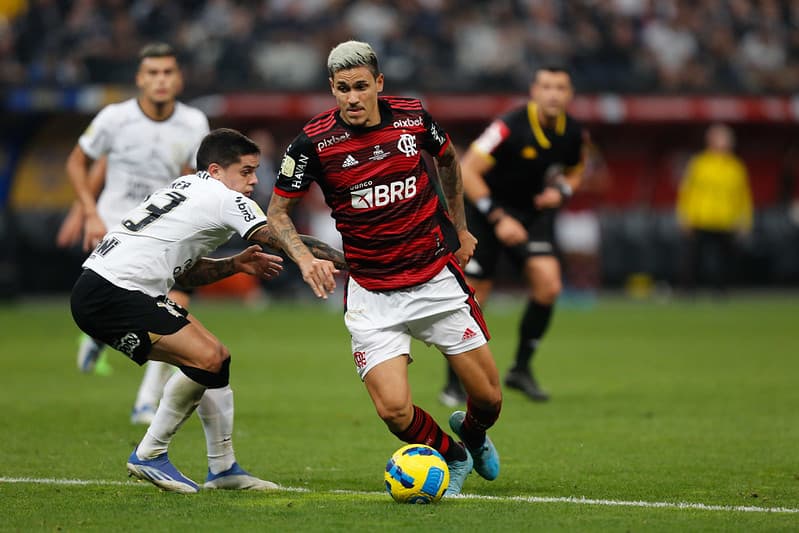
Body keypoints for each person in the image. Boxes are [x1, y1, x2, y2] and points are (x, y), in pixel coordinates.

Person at [266, 40, 502, 497]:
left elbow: (449, 159)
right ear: (332, 89)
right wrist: (303, 258)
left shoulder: (413, 117)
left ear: (378, 83)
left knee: (489, 399)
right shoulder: (312, 143)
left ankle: (473, 434)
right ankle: (454, 455)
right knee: (394, 411)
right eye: (342, 89)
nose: (352, 98)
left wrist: (461, 227)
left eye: (360, 86)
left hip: (435, 280)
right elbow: (277, 213)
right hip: (373, 293)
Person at [70, 128, 346, 493]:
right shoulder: (224, 198)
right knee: (208, 359)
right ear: (215, 170)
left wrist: (235, 264)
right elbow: (280, 237)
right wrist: (351, 261)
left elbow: (185, 272)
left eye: (255, 171)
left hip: (105, 287)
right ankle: (150, 453)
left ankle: (223, 468)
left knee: (216, 359)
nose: (254, 180)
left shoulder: (183, 189)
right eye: (246, 171)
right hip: (115, 292)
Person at [65, 42, 210, 424]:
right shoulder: (114, 118)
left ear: (178, 78)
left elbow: (192, 178)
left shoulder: (194, 122)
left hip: (162, 234)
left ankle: (145, 401)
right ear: (140, 79)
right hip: (116, 230)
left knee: (176, 309)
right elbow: (78, 162)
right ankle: (98, 335)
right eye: (153, 73)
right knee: (132, 305)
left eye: (168, 72)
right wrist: (87, 212)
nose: (161, 80)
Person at [440, 66, 585, 405]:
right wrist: (498, 217)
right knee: (474, 298)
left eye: (560, 88)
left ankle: (521, 368)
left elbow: (576, 170)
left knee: (549, 285)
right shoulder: (508, 126)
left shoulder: (574, 132)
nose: (553, 94)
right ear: (534, 91)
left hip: (529, 215)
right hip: (485, 211)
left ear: (570, 94)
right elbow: (467, 170)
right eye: (546, 86)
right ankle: (454, 383)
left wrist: (562, 191)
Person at [676, 123, 752, 295]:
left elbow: (744, 198)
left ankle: (721, 291)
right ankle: (687, 292)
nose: (725, 143)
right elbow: (686, 192)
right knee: (692, 259)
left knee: (724, 260)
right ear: (709, 140)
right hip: (701, 219)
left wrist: (745, 222)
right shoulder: (699, 164)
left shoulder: (736, 167)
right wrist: (684, 217)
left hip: (726, 221)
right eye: (720, 138)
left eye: (727, 139)